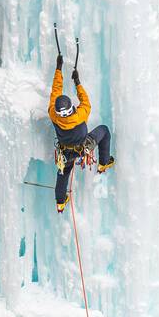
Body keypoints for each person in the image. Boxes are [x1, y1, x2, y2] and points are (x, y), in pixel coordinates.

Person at [48, 53, 114, 212]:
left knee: (63, 173)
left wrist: (58, 68)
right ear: (71, 108)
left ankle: (60, 201)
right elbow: (85, 101)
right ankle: (104, 162)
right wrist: (77, 82)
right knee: (104, 130)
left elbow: (55, 92)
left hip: (66, 152)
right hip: (84, 147)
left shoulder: (53, 115)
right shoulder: (80, 115)